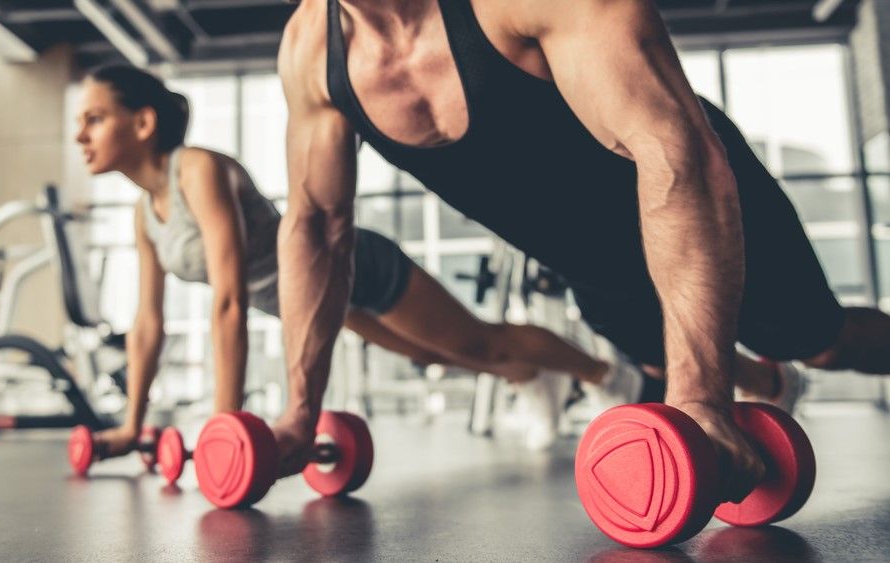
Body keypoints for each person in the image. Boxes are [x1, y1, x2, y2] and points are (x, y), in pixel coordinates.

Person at [272, 0, 890, 500]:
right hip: (589, 265)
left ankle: (778, 366)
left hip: (703, 206)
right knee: (652, 364)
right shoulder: (311, 50)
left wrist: (703, 399)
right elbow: (317, 228)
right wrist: (299, 416)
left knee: (823, 342)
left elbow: (674, 155)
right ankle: (770, 382)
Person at [73, 64, 632, 456]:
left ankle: (605, 374)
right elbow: (148, 325)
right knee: (430, 353)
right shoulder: (144, 214)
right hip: (317, 302)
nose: (80, 134)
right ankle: (532, 377)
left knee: (477, 342)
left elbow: (229, 298)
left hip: (353, 264)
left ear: (143, 123)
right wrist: (129, 425)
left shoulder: (196, 170)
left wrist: (226, 422)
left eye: (94, 118)